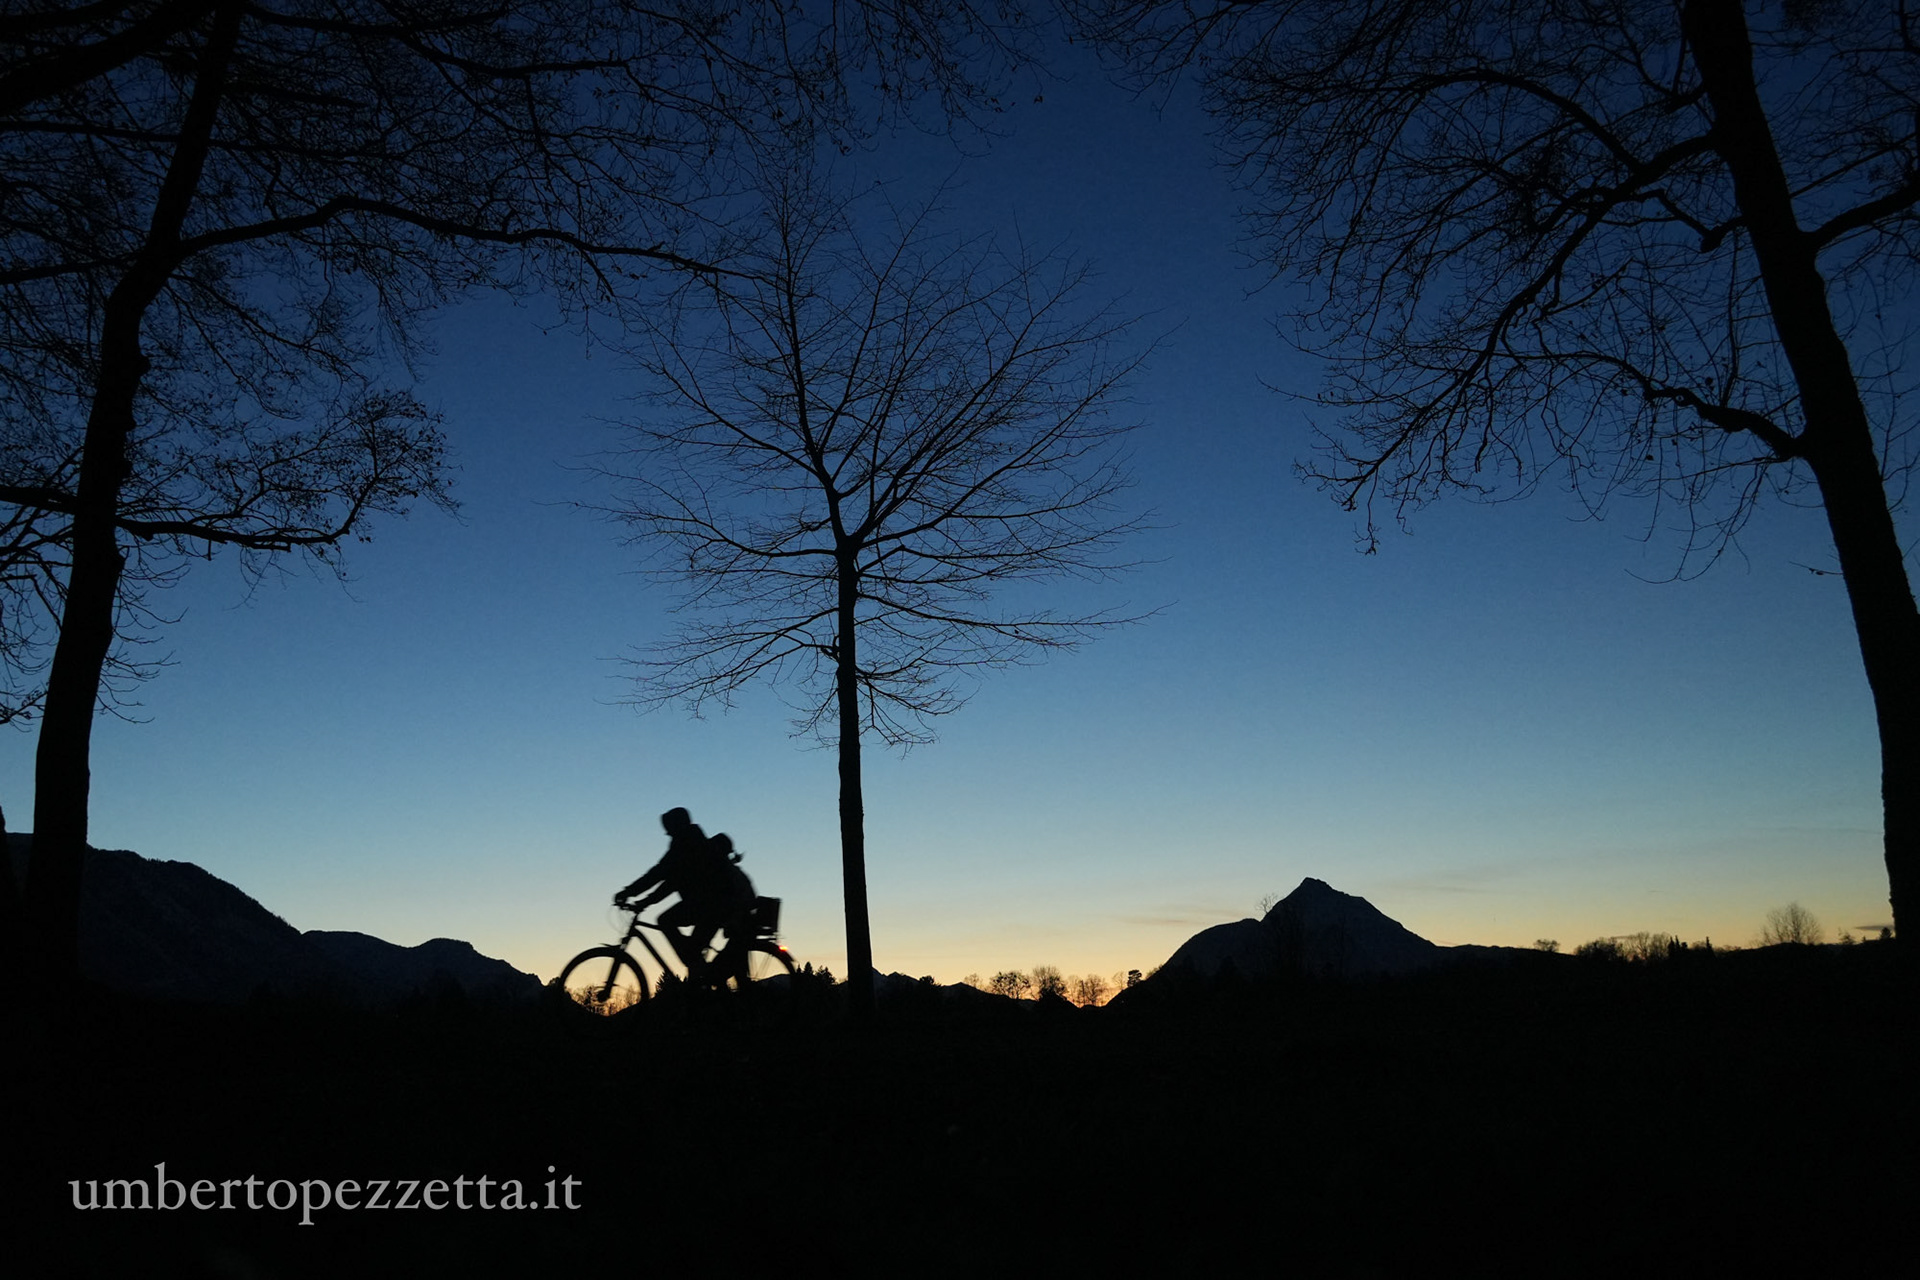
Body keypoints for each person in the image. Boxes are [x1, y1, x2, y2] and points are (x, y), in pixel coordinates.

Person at [614, 808, 752, 977]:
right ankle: (698, 971)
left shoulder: (686, 844)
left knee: (667, 922)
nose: (668, 833)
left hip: (710, 905)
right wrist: (645, 901)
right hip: (712, 904)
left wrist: (629, 893)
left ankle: (700, 970)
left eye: (669, 829)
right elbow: (671, 880)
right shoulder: (693, 841)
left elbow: (661, 874)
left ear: (677, 825)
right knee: (691, 951)